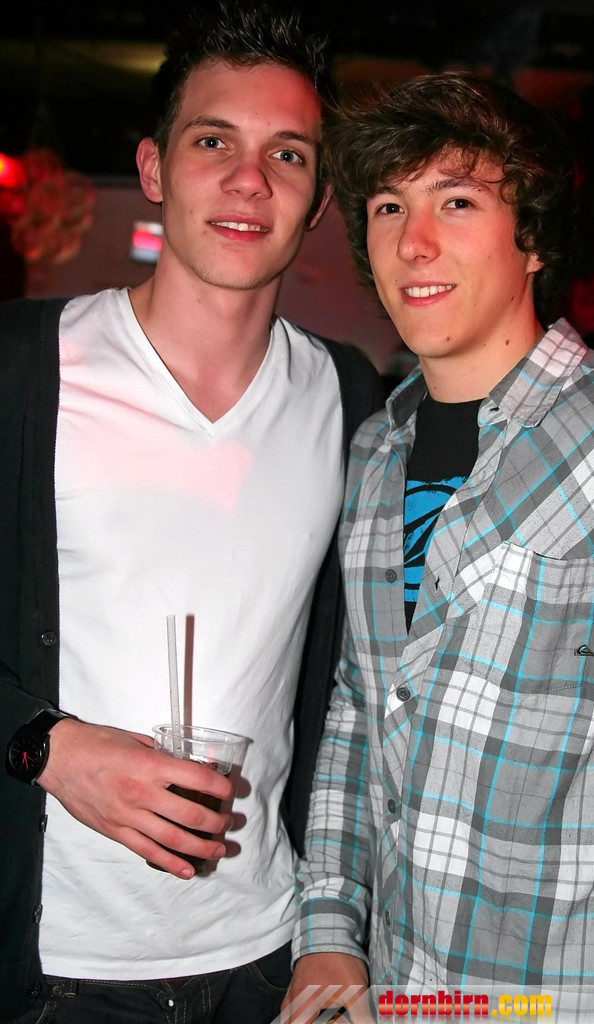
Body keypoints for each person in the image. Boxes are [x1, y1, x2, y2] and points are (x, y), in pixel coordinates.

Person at [0, 3, 383, 1022]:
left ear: (317, 200)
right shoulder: (22, 369)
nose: (249, 180)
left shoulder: (351, 400)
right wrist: (47, 746)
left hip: (267, 957)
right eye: (214, 141)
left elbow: (361, 680)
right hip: (54, 968)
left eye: (286, 154)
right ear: (155, 167)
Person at [284, 71, 594, 1022]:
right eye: (389, 206)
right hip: (408, 996)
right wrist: (331, 929)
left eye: (456, 201)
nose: (412, 242)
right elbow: (358, 707)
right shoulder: (375, 450)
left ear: (532, 238)